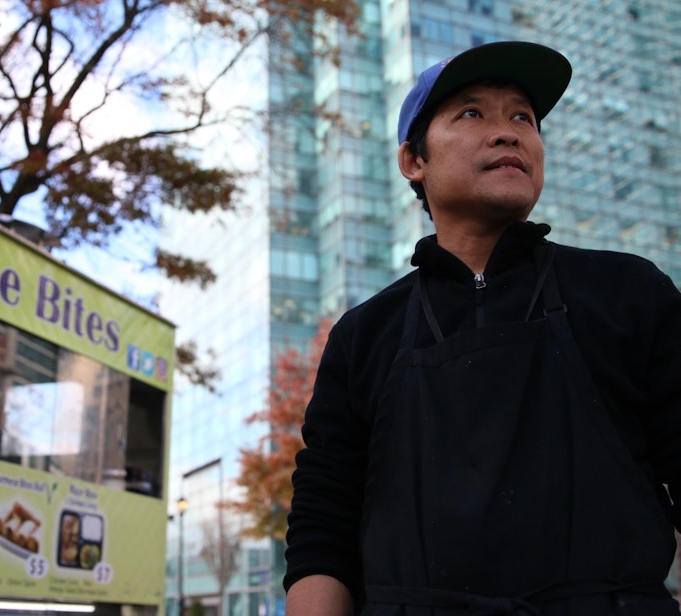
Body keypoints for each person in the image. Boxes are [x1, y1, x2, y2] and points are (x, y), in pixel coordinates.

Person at [283, 40, 681, 615]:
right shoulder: (362, 335)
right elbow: (324, 524)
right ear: (413, 162)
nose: (508, 132)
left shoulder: (630, 293)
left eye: (523, 116)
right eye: (472, 113)